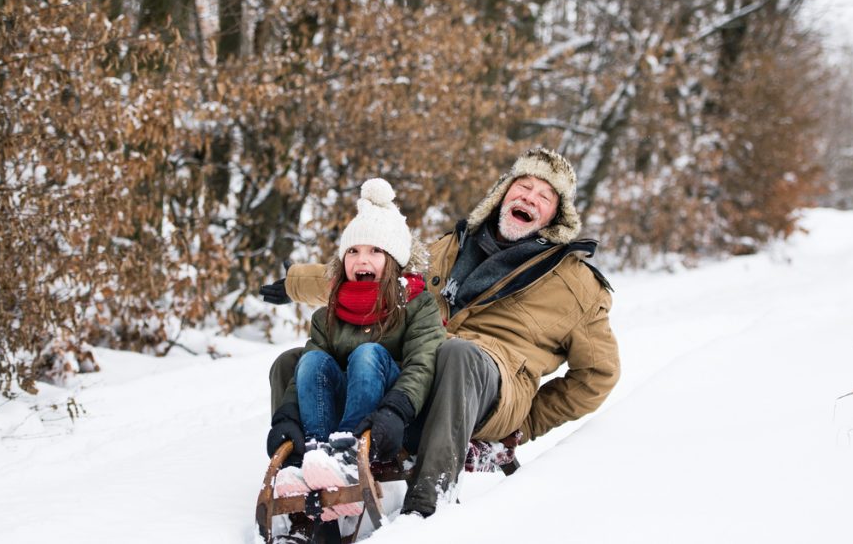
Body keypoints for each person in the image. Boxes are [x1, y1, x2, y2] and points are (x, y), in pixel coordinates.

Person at [261, 147, 620, 519]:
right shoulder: (452, 247)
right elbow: (380, 276)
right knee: (297, 363)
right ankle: (305, 494)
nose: (530, 196)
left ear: (556, 215)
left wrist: (527, 423)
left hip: (491, 388)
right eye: (523, 186)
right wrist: (294, 283)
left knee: (457, 354)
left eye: (545, 195)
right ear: (504, 192)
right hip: (421, 372)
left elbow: (598, 374)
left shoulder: (576, 284)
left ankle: (427, 505)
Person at [264, 178, 445, 538]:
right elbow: (311, 369)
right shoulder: (326, 315)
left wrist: (396, 409)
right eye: (353, 251)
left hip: (391, 419)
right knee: (310, 361)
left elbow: (424, 363)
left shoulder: (418, 305)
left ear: (393, 262)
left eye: (375, 252)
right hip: (334, 412)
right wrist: (286, 418)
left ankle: (345, 456)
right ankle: (316, 458)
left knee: (367, 353)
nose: (362, 259)